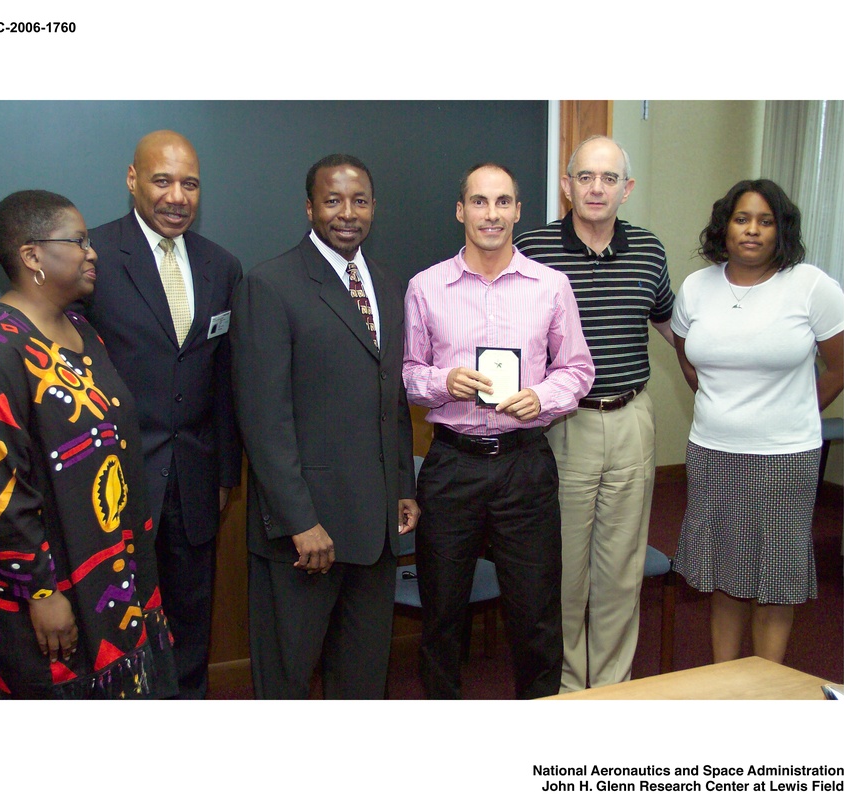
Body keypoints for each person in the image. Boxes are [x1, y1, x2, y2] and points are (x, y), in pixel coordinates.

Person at [0, 190, 176, 699]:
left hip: (107, 568)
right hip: (41, 594)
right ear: (32, 256)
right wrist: (42, 592)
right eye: (79, 241)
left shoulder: (79, 329)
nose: (92, 253)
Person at [230, 154, 419, 699]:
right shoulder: (269, 284)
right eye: (332, 200)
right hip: (307, 533)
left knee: (361, 678)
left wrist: (403, 487)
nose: (347, 213)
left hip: (377, 527)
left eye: (359, 201)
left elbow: (392, 395)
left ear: (373, 208)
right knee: (286, 677)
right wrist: (299, 521)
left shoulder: (385, 284)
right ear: (309, 207)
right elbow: (263, 419)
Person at [403, 163, 594, 699]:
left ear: (518, 211)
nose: (492, 214)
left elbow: (577, 370)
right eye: (480, 202)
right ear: (461, 211)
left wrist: (544, 398)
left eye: (503, 202)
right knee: (441, 612)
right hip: (452, 465)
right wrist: (444, 381)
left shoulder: (551, 286)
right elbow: (409, 375)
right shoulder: (426, 287)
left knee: (535, 612)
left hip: (524, 463)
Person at [81, 130, 243, 698]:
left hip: (197, 481)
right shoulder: (92, 257)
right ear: (132, 179)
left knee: (191, 618)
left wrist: (226, 473)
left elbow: (224, 378)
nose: (178, 195)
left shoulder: (221, 265)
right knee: (115, 624)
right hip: (115, 481)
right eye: (162, 180)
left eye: (190, 184)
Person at [514, 135, 675, 691]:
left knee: (621, 567)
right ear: (567, 185)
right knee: (564, 568)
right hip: (563, 425)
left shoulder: (650, 250)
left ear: (626, 190)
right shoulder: (531, 249)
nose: (597, 188)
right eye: (586, 177)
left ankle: (611, 686)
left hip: (632, 418)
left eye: (609, 179)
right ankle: (566, 689)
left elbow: (670, 327)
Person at [671, 178, 844, 664]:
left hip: (785, 459)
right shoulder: (697, 287)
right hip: (712, 453)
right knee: (724, 577)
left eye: (765, 221)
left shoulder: (811, 286)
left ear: (780, 230)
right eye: (742, 219)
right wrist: (723, 403)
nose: (752, 230)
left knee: (775, 581)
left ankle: (766, 688)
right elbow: (688, 358)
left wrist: (798, 409)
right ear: (724, 227)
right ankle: (726, 683)